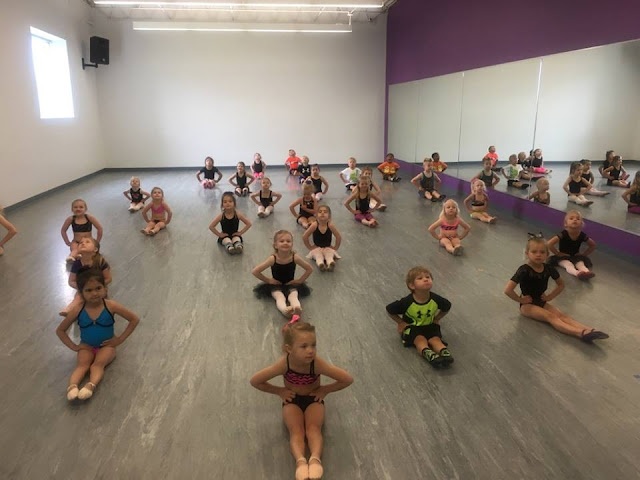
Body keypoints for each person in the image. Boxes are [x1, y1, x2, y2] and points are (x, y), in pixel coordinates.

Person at [250, 318, 353, 480]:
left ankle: (315, 459)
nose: (311, 351)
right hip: (292, 400)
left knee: (313, 429)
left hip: (313, 399)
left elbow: (347, 379)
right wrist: (279, 391)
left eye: (313, 345)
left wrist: (325, 390)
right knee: (296, 431)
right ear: (289, 349)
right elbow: (255, 381)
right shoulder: (284, 364)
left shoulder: (316, 364)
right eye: (304, 346)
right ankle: (300, 461)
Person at [504, 235, 608, 342]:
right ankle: (580, 333)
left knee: (562, 316)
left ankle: (589, 330)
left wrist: (549, 297)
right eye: (534, 252)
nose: (538, 255)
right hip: (527, 305)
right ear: (527, 253)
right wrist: (521, 300)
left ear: (547, 255)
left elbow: (561, 284)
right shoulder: (524, 270)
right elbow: (508, 290)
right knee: (551, 317)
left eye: (542, 252)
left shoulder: (548, 268)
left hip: (541, 301)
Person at [56, 268, 140, 401]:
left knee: (97, 365)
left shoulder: (111, 306)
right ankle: (72, 387)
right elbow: (60, 330)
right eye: (89, 290)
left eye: (98, 288)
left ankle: (90, 386)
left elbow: (134, 319)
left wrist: (119, 340)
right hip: (86, 346)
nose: (94, 293)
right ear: (81, 293)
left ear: (105, 288)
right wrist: (74, 346)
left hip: (107, 346)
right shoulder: (78, 309)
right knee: (82, 365)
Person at [386, 266, 454, 367]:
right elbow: (390, 309)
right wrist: (401, 322)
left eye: (428, 277)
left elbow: (447, 306)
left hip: (430, 325)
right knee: (420, 340)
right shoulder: (407, 302)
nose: (425, 279)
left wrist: (437, 318)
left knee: (436, 339)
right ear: (412, 285)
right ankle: (428, 353)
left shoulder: (435, 299)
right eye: (420, 278)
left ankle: (444, 352)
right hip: (412, 327)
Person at [252, 230, 313, 318]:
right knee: (279, 297)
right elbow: (255, 271)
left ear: (292, 244)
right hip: (276, 284)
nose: (285, 243)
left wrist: (300, 281)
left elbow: (309, 269)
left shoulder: (294, 257)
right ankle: (285, 310)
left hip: (290, 283)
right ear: (275, 245)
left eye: (288, 241)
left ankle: (297, 308)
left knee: (293, 296)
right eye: (282, 241)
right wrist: (268, 280)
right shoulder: (273, 259)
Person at [59, 237, 112, 316]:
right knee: (79, 296)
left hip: (99, 287)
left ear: (95, 249)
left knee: (102, 302)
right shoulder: (77, 263)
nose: (83, 243)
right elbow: (71, 281)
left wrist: (98, 286)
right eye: (81, 243)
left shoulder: (100, 261)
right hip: (84, 288)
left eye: (87, 242)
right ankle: (71, 309)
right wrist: (82, 287)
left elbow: (108, 278)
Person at [547, 210, 596, 280]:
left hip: (576, 256)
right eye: (571, 218)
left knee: (580, 264)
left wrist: (584, 255)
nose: (575, 220)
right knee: (568, 264)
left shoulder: (582, 235)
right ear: (566, 223)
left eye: (578, 219)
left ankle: (587, 272)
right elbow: (549, 244)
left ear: (581, 224)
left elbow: (593, 245)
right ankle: (577, 273)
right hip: (563, 256)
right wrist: (557, 253)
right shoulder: (563, 234)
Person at [302, 205, 341, 271]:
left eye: (325, 212)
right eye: (320, 212)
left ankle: (330, 263)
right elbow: (305, 236)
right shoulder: (314, 225)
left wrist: (335, 247)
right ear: (316, 215)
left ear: (329, 215)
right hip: (317, 247)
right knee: (318, 255)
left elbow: (338, 236)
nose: (322, 213)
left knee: (329, 254)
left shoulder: (330, 225)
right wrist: (310, 247)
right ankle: (320, 264)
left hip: (327, 247)